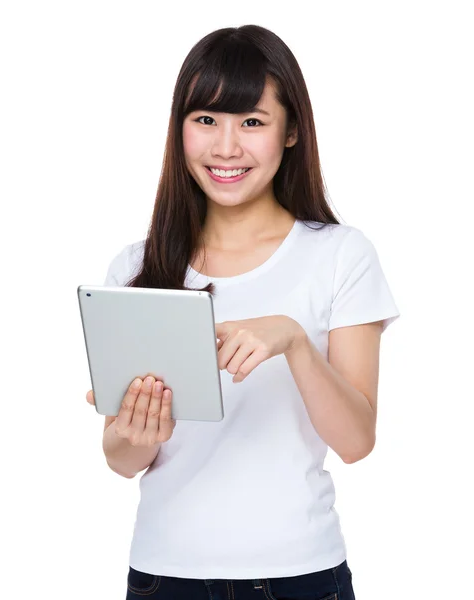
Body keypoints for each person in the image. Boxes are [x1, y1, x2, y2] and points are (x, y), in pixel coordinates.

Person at [86, 24, 400, 600]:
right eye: (205, 119)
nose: (225, 147)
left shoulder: (339, 254)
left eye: (252, 122)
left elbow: (357, 442)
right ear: (179, 129)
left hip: (302, 576)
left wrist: (294, 342)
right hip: (164, 576)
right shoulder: (137, 267)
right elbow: (122, 460)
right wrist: (137, 429)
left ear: (291, 133)